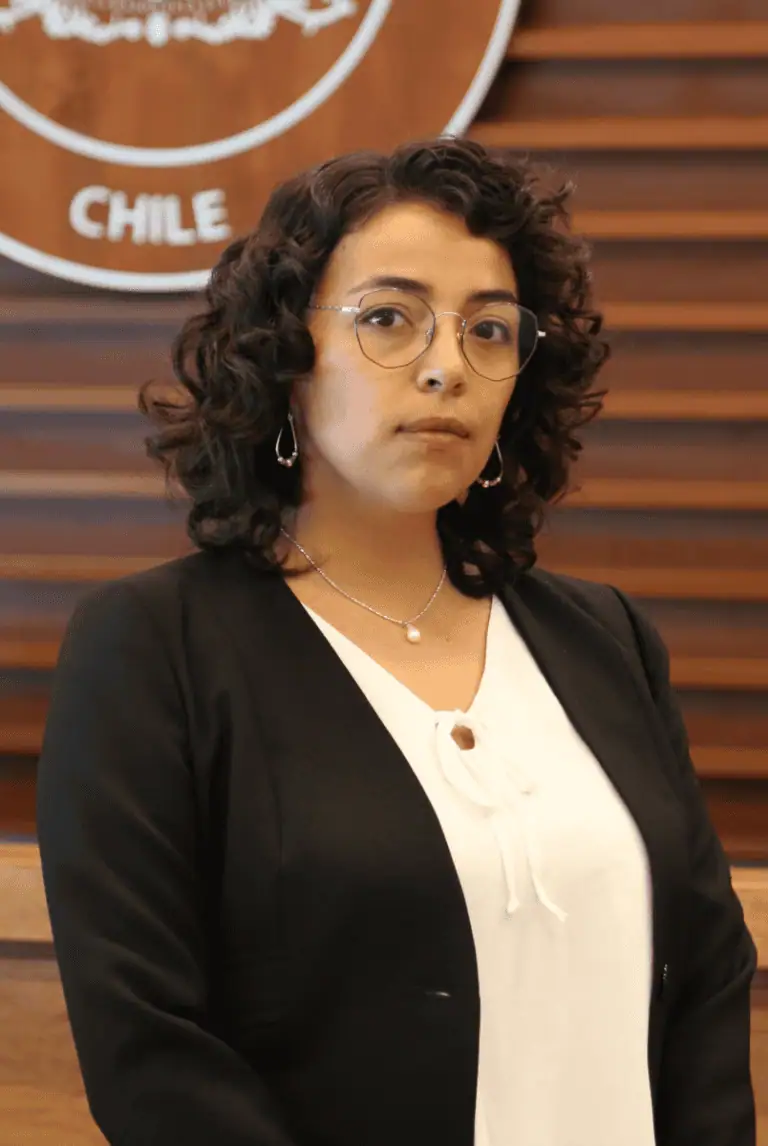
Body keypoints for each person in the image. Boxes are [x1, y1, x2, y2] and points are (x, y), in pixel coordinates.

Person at [36, 137, 757, 1146]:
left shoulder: (606, 638)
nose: (446, 367)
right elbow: (149, 1048)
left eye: (489, 330)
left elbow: (709, 987)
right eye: (388, 318)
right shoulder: (155, 650)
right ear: (285, 356)